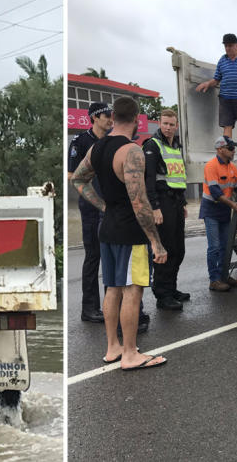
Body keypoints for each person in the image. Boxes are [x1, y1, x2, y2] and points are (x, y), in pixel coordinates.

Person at [71, 96, 167, 371]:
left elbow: (78, 179)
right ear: (136, 120)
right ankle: (130, 354)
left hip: (108, 228)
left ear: (113, 118)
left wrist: (103, 205)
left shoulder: (98, 147)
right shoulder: (132, 152)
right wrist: (156, 243)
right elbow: (139, 201)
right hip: (129, 232)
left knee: (113, 289)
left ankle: (113, 347)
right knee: (132, 291)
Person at [68, 102, 114, 323]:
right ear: (95, 117)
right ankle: (89, 308)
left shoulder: (111, 141)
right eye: (106, 115)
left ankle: (109, 306)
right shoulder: (80, 142)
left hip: (110, 206)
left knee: (110, 257)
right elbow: (71, 176)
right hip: (91, 209)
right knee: (93, 257)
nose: (110, 118)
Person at [142, 109, 188, 310]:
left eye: (172, 124)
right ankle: (162, 295)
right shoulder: (153, 145)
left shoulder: (176, 145)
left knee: (179, 249)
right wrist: (155, 207)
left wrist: (184, 202)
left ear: (176, 125)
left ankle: (171, 288)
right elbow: (148, 180)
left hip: (177, 202)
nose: (168, 128)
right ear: (159, 124)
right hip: (162, 202)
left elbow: (179, 176)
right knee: (165, 249)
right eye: (165, 124)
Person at [200, 136, 237, 291]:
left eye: (233, 148)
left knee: (225, 246)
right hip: (211, 210)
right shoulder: (211, 166)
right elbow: (215, 193)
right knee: (214, 247)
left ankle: (224, 276)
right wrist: (234, 205)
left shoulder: (232, 167)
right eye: (230, 148)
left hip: (224, 210)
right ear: (220, 149)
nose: (233, 151)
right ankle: (214, 280)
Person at [195, 33, 237, 148]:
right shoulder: (222, 60)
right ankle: (228, 151)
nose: (228, 48)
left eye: (230, 45)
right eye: (226, 46)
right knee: (227, 126)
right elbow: (216, 79)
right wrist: (207, 83)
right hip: (225, 99)